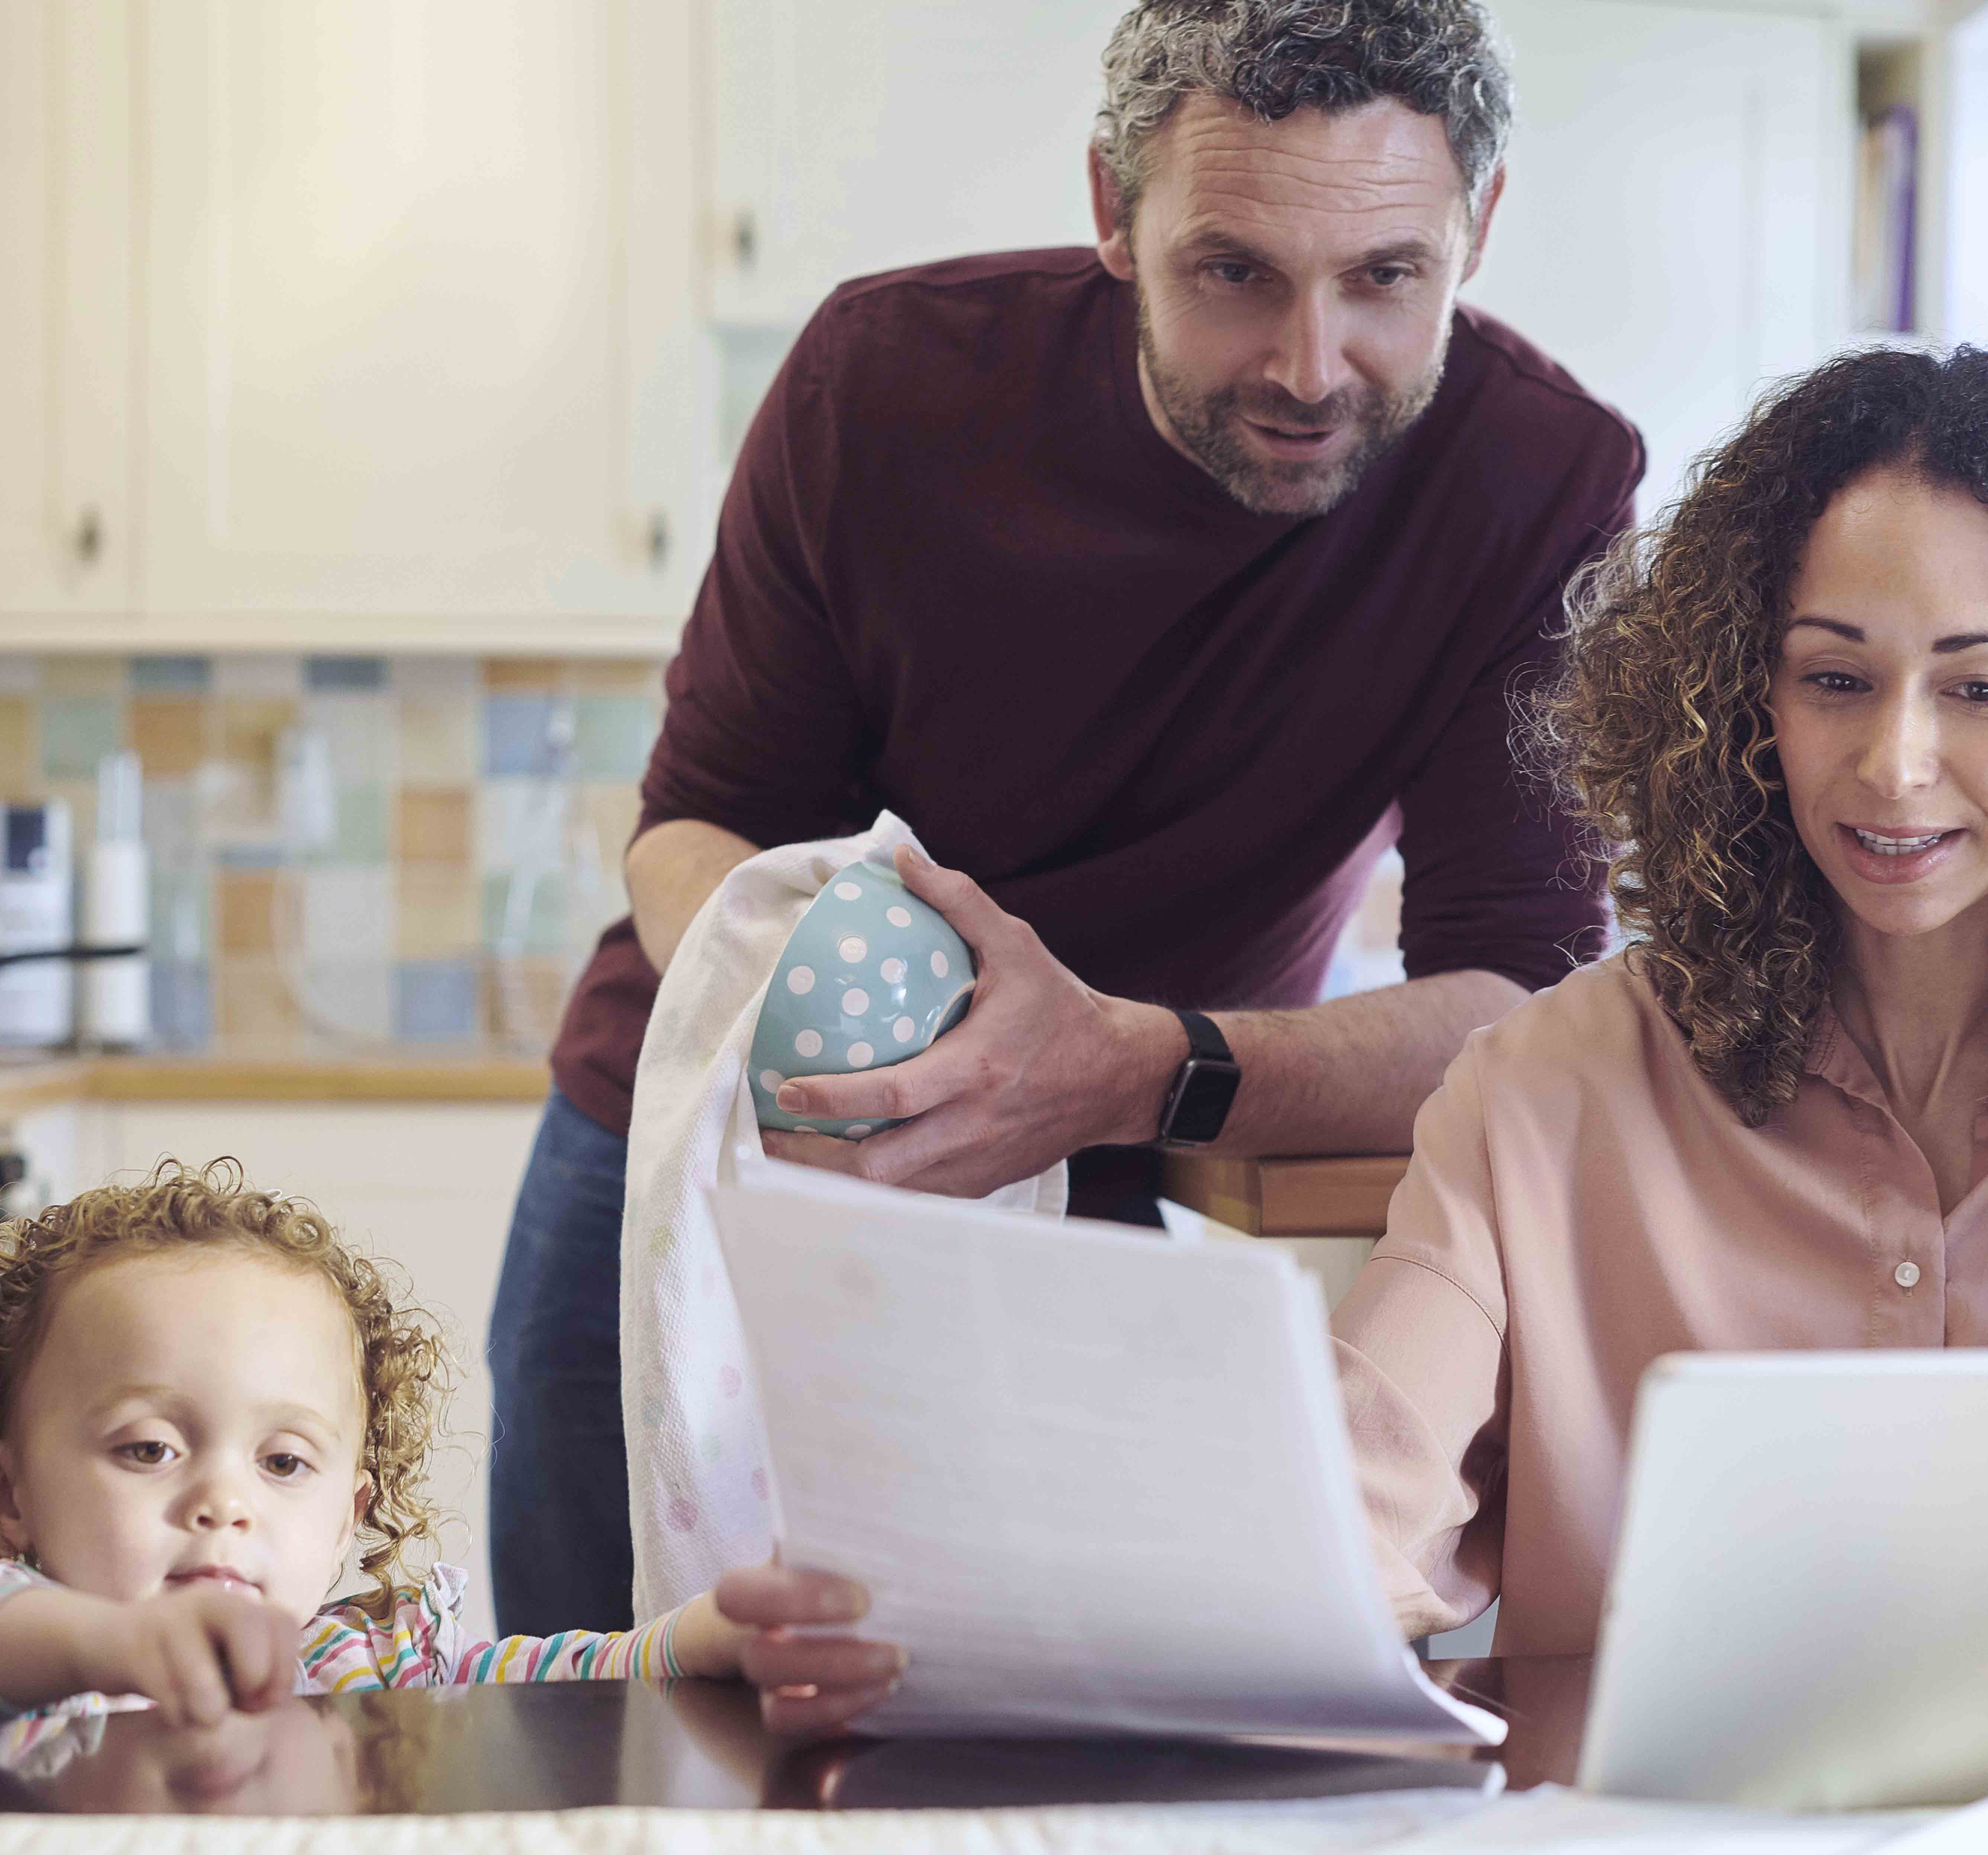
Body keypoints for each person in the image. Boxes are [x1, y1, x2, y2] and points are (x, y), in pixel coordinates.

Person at [704, 346, 1988, 1779]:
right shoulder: (1548, 1080)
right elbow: (1333, 1516)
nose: (1895, 763)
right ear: (1739, 705)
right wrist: (953, 1603)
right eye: (1830, 677)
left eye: (1981, 686)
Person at [493, 0, 1642, 1633]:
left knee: (1030, 1743)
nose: (1314, 369)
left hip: (1122, 1170)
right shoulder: (882, 384)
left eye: (1389, 276)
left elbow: (1514, 1004)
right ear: (1113, 209)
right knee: (598, 1734)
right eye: (1234, 271)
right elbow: (695, 837)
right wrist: (874, 1052)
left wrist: (1120, 1069)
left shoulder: (1542, 484)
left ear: (1481, 222)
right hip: (702, 1142)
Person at [0, 1164, 751, 1755]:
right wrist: (101, 1644)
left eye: (283, 1463)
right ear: (9, 1493)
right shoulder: (25, 1676)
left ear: (350, 1514)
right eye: (149, 1448)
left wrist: (685, 1645)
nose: (223, 1501)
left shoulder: (365, 1669)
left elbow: (542, 1690)